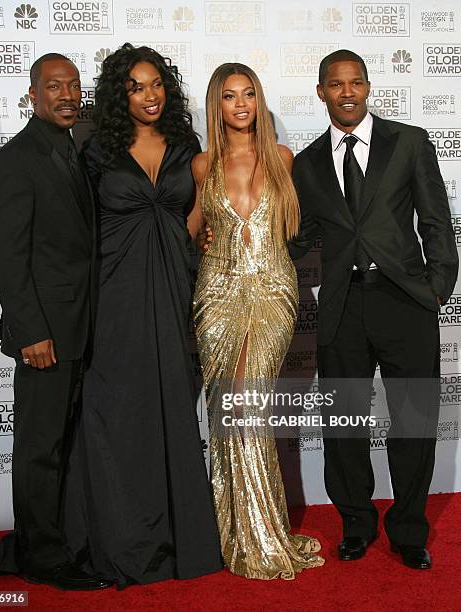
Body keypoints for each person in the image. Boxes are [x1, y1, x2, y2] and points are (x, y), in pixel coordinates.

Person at [289, 49, 458, 569]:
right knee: (345, 426)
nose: (347, 92)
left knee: (412, 421)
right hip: (342, 307)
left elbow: (435, 217)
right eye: (335, 84)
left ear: (368, 87)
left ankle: (408, 530)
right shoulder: (307, 162)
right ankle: (357, 526)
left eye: (356, 82)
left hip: (405, 301)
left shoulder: (407, 141)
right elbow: (306, 237)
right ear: (321, 92)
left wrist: (437, 288)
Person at [62, 44, 223, 588]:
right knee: (120, 415)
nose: (149, 95)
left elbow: (193, 219)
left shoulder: (186, 146)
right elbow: (79, 234)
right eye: (135, 86)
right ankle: (122, 541)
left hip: (177, 290)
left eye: (155, 84)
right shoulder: (99, 153)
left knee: (173, 408)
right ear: (118, 95)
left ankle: (178, 539)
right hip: (115, 297)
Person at [0, 54, 109, 590]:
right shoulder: (14, 159)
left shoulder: (73, 151)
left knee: (65, 445)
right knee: (39, 448)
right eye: (55, 87)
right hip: (46, 335)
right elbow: (8, 256)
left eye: (74, 86)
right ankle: (44, 559)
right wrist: (30, 332)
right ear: (32, 94)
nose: (68, 95)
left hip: (80, 328)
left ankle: (55, 541)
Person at [188, 63, 325, 580]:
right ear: (216, 105)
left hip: (271, 290)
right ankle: (234, 531)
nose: (241, 104)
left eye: (249, 94)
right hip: (218, 294)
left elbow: (299, 225)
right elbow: (192, 229)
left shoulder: (282, 158)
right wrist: (196, 236)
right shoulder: (202, 166)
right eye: (229, 96)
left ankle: (263, 534)